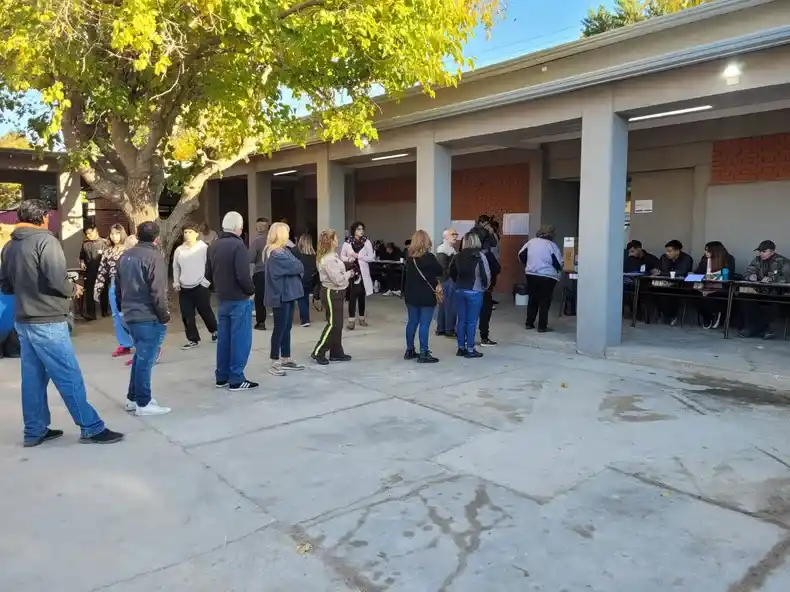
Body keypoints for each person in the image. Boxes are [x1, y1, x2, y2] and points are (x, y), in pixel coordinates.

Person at [0, 199, 123, 446]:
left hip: (24, 320)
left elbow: (5, 285)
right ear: (44, 217)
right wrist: (73, 288)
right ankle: (91, 427)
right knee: (68, 375)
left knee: (32, 379)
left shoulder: (9, 247)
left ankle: (34, 431)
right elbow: (58, 280)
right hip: (48, 321)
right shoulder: (46, 241)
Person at [116, 221, 172, 416]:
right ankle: (144, 402)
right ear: (156, 238)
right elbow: (158, 291)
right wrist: (164, 315)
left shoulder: (125, 256)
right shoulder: (154, 257)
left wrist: (122, 308)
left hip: (131, 313)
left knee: (140, 357)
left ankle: (133, 398)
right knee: (146, 359)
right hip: (147, 314)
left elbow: (118, 287)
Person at [206, 211, 258, 391]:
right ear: (238, 227)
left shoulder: (213, 246)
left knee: (224, 339)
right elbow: (243, 275)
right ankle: (236, 378)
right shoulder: (238, 246)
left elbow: (208, 274)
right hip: (239, 298)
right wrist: (251, 291)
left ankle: (222, 376)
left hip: (222, 298)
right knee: (240, 340)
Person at [264, 222, 305, 376]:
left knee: (286, 327)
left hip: (289, 294)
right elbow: (298, 267)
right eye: (286, 232)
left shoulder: (284, 251)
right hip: (280, 295)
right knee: (279, 328)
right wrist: (294, 267)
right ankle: (274, 361)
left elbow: (299, 265)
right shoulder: (275, 253)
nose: (288, 235)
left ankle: (286, 358)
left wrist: (294, 266)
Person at [311, 229, 354, 365]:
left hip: (338, 292)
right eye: (335, 238)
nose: (338, 240)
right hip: (332, 292)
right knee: (333, 324)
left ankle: (336, 352)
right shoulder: (328, 259)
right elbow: (338, 279)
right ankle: (319, 351)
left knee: (338, 324)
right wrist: (350, 274)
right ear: (330, 241)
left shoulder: (333, 256)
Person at [173, 222, 218, 350]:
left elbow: (210, 266)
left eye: (190, 232)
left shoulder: (203, 248)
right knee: (187, 315)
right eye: (185, 232)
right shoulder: (179, 250)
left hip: (200, 286)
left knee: (205, 311)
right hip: (184, 288)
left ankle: (214, 330)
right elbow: (176, 267)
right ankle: (193, 339)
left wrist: (206, 282)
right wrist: (176, 282)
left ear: (197, 234)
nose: (187, 235)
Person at [93, 223, 134, 357]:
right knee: (116, 316)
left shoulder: (128, 250)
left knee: (128, 315)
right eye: (112, 233)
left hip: (127, 286)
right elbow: (102, 270)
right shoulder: (107, 250)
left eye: (117, 233)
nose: (114, 236)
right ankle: (125, 344)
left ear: (122, 234)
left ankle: (142, 341)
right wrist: (97, 288)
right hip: (113, 286)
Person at [403, 229, 443, 363]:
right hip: (426, 296)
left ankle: (409, 350)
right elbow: (440, 271)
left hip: (411, 296)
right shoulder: (430, 258)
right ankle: (424, 353)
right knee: (424, 324)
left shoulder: (409, 259)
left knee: (412, 322)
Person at [449, 232, 489, 359]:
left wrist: (457, 284)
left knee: (461, 320)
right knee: (471, 322)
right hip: (475, 290)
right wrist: (485, 287)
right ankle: (470, 349)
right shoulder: (480, 256)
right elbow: (486, 275)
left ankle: (461, 348)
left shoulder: (457, 255)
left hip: (460, 290)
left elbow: (451, 272)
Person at [740, 240, 790, 340]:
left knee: (772, 300)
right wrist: (751, 277)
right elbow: (747, 273)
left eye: (764, 251)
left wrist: (772, 279)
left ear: (772, 251)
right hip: (759, 291)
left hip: (778, 292)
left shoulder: (783, 261)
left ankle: (771, 329)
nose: (761, 254)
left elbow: (786, 278)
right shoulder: (757, 260)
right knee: (746, 298)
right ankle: (752, 327)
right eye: (760, 251)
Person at [518, 224, 562, 333]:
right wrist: (558, 270)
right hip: (547, 276)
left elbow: (521, 255)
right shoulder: (551, 245)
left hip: (531, 274)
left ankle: (529, 323)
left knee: (533, 299)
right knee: (544, 301)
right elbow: (558, 263)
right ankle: (542, 326)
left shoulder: (531, 242)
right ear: (551, 233)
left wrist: (529, 265)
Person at [341, 221, 375, 330]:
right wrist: (350, 258)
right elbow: (342, 256)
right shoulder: (347, 242)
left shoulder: (367, 242)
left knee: (361, 296)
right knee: (352, 296)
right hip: (352, 272)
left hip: (363, 272)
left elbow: (371, 257)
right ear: (354, 231)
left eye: (362, 229)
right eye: (359, 229)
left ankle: (362, 318)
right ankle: (351, 321)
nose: (361, 231)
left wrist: (360, 257)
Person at [695, 241, 735, 330]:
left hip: (721, 287)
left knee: (710, 297)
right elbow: (697, 273)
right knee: (693, 294)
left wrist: (709, 277)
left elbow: (728, 277)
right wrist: (698, 280)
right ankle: (708, 317)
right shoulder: (704, 259)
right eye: (705, 250)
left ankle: (716, 313)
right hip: (705, 286)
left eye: (707, 251)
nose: (705, 253)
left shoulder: (728, 259)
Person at [654, 239, 696, 325]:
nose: (667, 253)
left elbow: (682, 272)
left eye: (670, 251)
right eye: (667, 251)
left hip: (680, 286)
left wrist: (663, 273)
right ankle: (665, 315)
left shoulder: (687, 259)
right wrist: (662, 273)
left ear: (677, 251)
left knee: (670, 295)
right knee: (654, 292)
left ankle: (671, 316)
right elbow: (659, 270)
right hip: (665, 284)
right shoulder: (664, 258)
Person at [80, 223, 109, 320]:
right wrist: (82, 262)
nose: (87, 235)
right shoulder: (85, 244)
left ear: (96, 231)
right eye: (86, 234)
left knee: (104, 292)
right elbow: (82, 257)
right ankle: (91, 314)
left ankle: (105, 311)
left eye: (89, 233)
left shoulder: (104, 243)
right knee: (89, 292)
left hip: (102, 271)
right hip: (90, 271)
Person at [435, 228, 458, 338]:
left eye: (456, 234)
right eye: (452, 234)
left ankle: (442, 328)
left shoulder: (449, 249)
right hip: (448, 280)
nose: (455, 236)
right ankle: (449, 329)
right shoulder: (443, 249)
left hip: (447, 280)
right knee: (450, 306)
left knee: (444, 306)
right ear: (445, 236)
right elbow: (443, 269)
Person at [248, 217, 270, 330]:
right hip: (273, 271)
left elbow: (250, 258)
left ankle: (261, 322)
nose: (260, 228)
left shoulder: (256, 241)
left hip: (260, 271)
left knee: (260, 298)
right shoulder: (274, 239)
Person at [293, 234, 317, 327]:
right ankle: (305, 318)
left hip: (298, 279)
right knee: (304, 298)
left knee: (298, 299)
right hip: (309, 280)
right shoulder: (313, 255)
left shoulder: (296, 252)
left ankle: (304, 320)